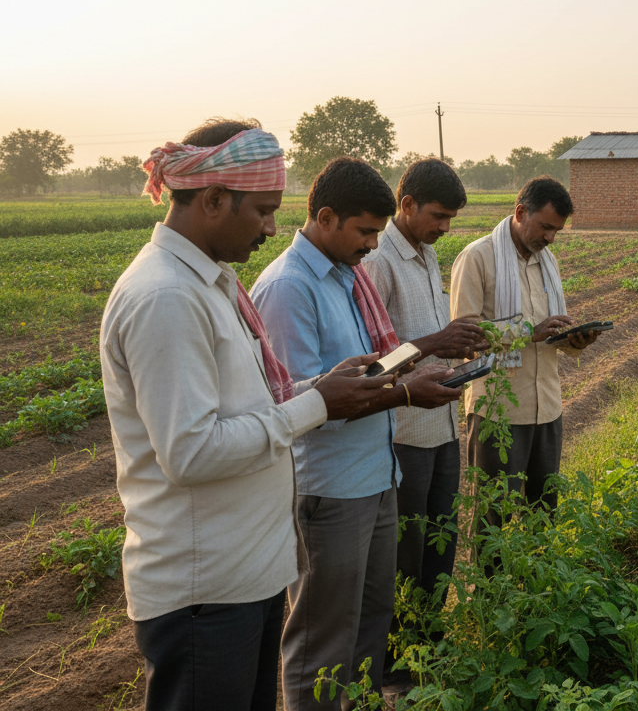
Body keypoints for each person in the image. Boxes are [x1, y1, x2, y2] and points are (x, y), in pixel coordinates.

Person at [102, 118, 399, 711]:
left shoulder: (207, 284)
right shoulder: (167, 297)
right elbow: (191, 452)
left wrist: (320, 386)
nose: (271, 228)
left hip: (244, 575)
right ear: (213, 199)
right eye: (263, 211)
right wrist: (317, 404)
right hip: (204, 591)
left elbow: (250, 402)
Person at [250, 157, 462, 709]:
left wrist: (417, 367)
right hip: (329, 488)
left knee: (371, 622)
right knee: (322, 637)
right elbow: (305, 402)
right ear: (325, 217)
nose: (374, 243)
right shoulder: (289, 288)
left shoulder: (348, 276)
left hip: (376, 474)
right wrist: (408, 392)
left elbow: (370, 367)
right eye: (366, 230)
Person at [360, 158, 489, 678]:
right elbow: (372, 359)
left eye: (451, 219)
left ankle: (427, 652)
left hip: (440, 427)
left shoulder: (427, 253)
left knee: (441, 542)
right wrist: (435, 343)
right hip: (402, 434)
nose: (444, 228)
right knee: (406, 554)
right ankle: (397, 669)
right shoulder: (378, 262)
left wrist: (460, 346)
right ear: (405, 205)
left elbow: (428, 337)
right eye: (437, 215)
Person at [448, 176, 601, 547]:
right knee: (492, 516)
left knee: (542, 511)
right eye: (545, 227)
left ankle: (533, 596)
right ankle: (485, 598)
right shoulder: (478, 257)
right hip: (497, 412)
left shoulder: (547, 262)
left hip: (547, 407)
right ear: (520, 213)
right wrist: (529, 331)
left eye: (557, 231)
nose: (550, 238)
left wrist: (573, 340)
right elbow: (464, 337)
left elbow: (548, 333)